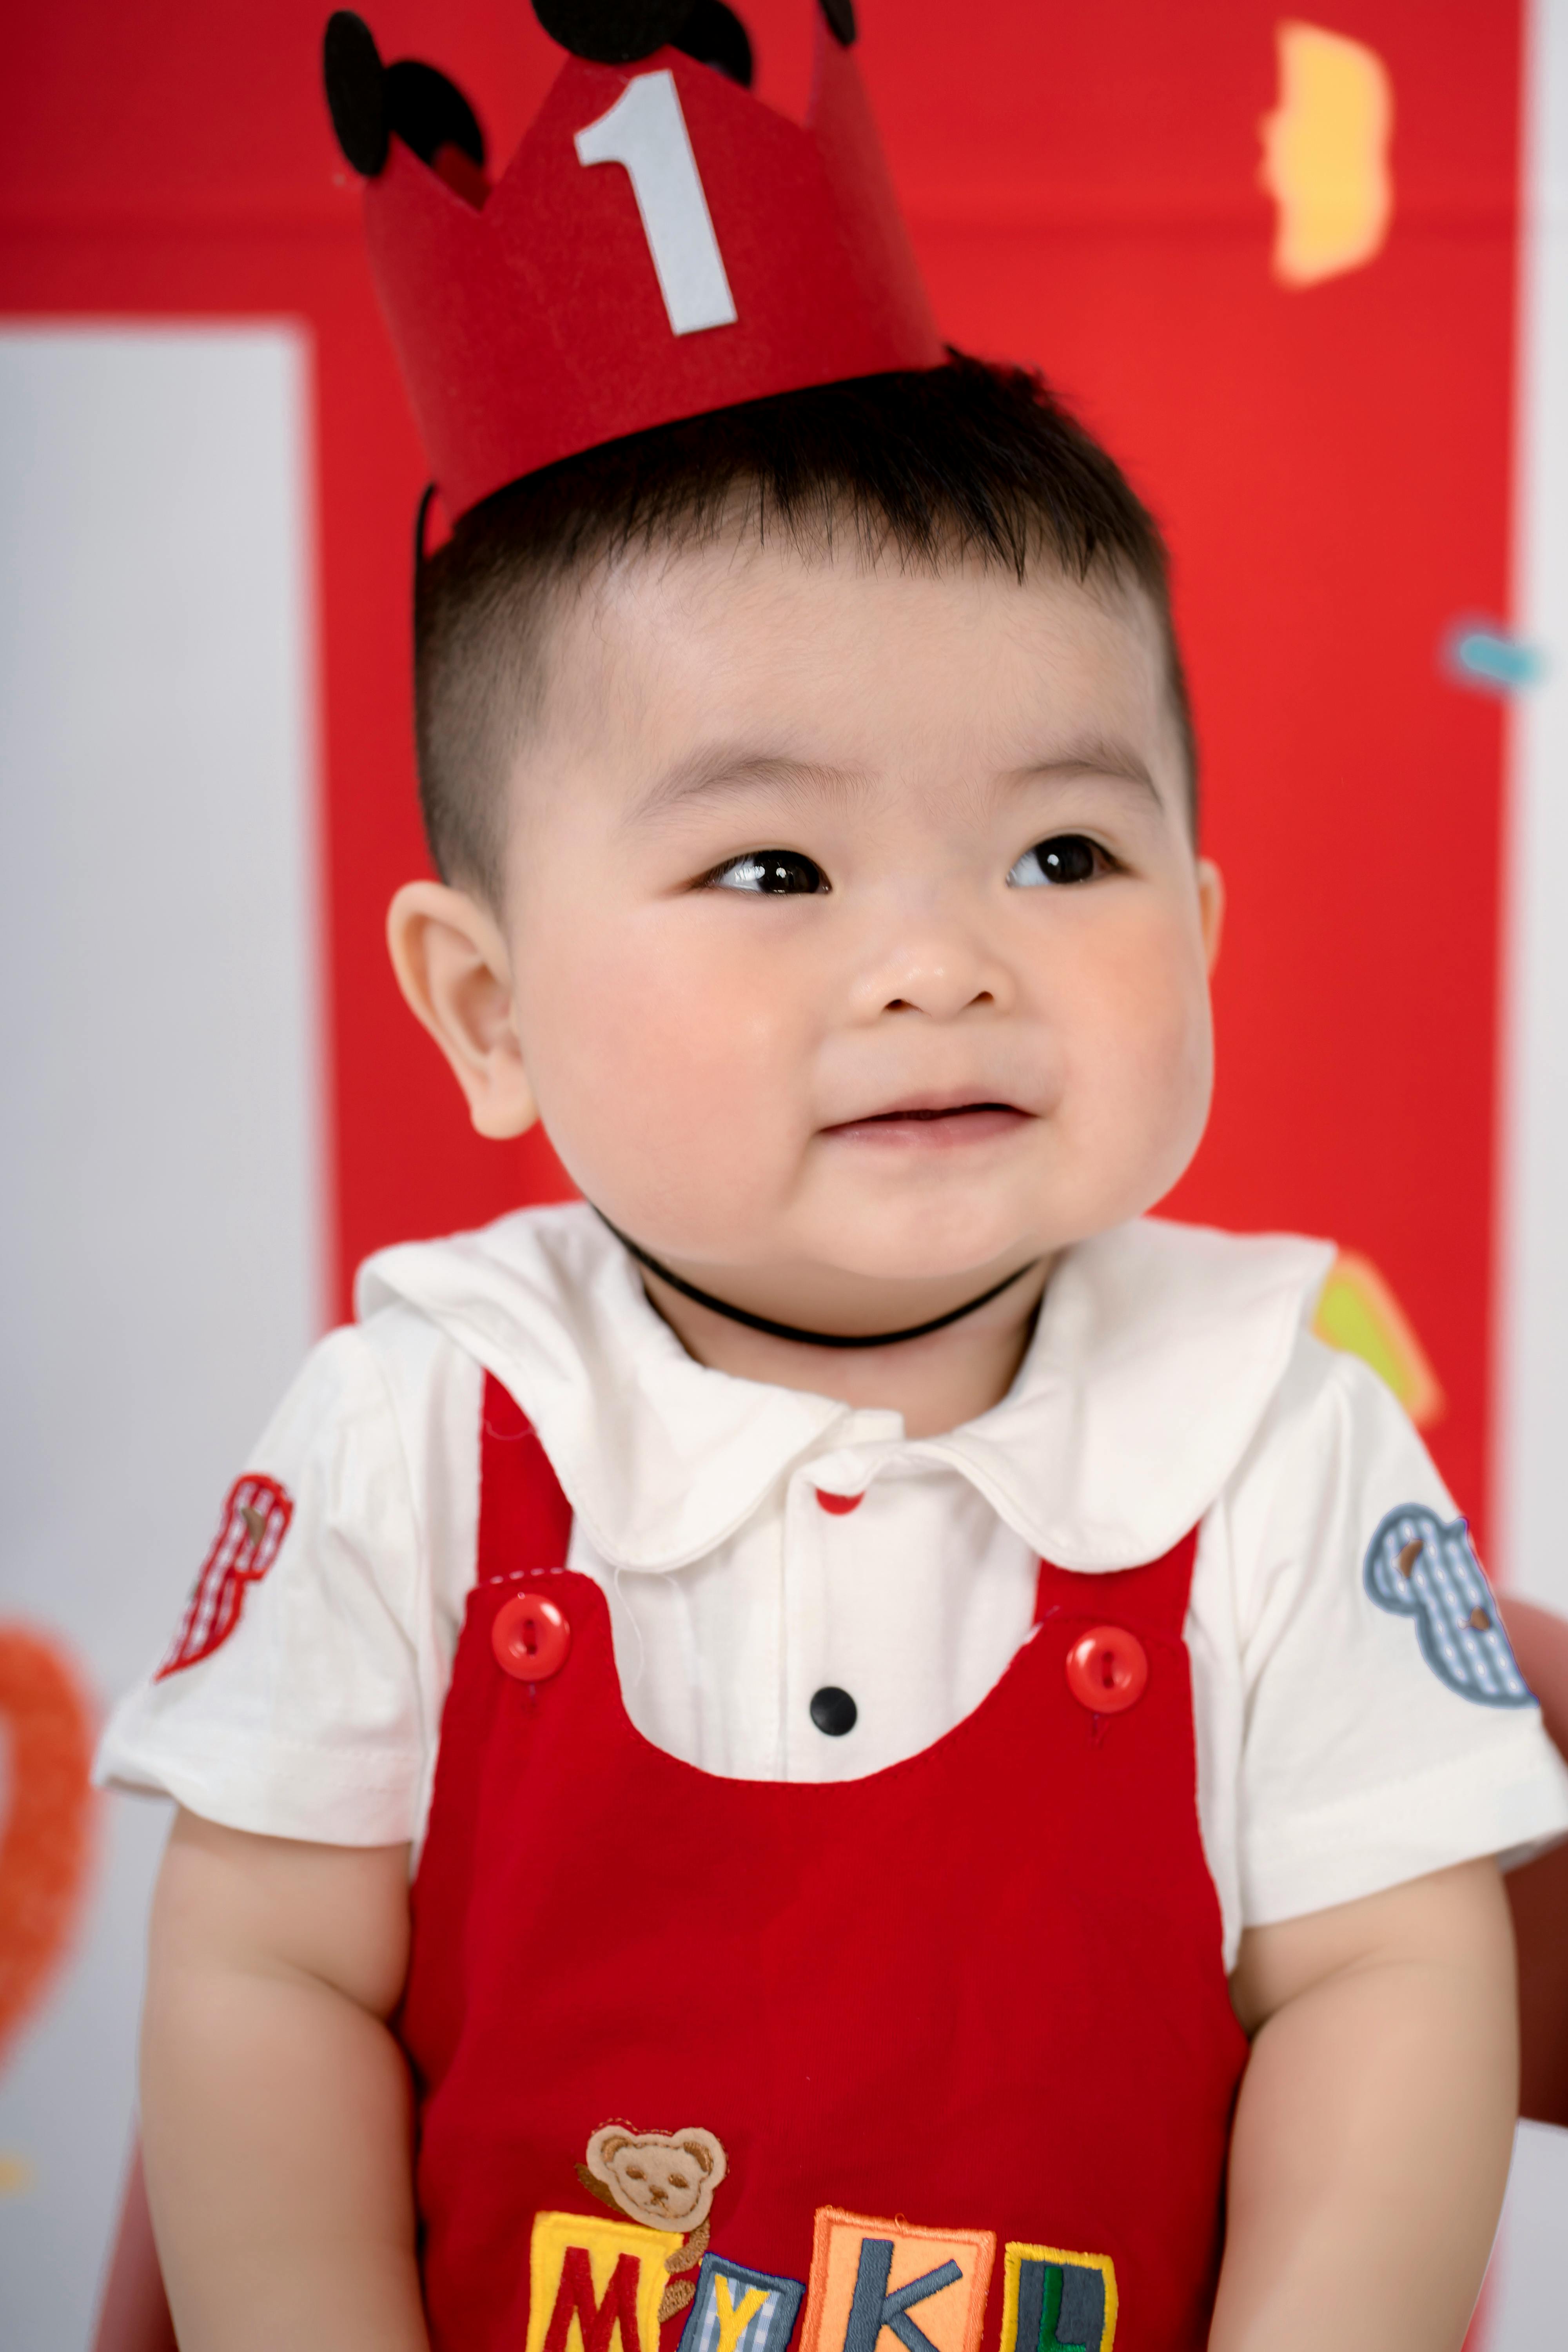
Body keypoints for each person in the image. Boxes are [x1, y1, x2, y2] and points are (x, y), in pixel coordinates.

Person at [97, 6, 1568, 2350]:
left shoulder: (1272, 1441)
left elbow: (1391, 1973)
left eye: (1061, 849)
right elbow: (262, 1961)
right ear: (487, 1010)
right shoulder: (422, 1434)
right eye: (774, 865)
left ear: (1198, 937)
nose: (940, 964)